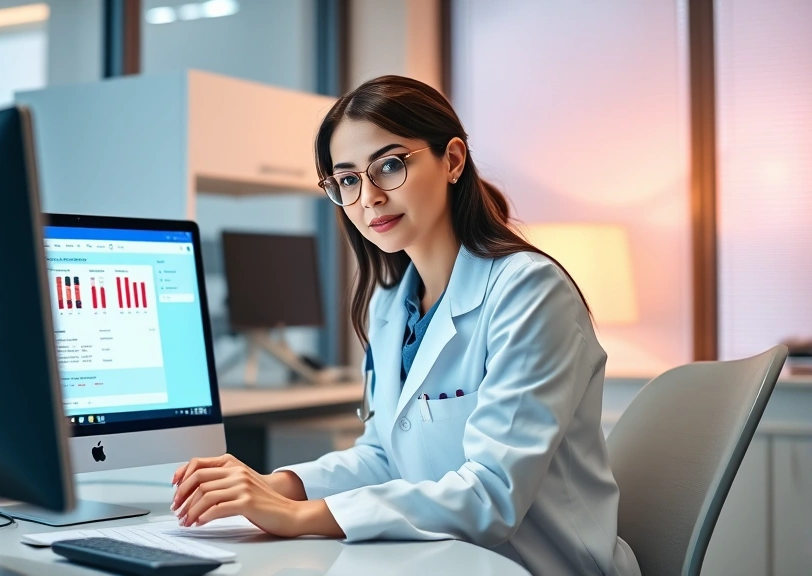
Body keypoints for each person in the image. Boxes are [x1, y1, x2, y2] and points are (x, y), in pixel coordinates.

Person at [170, 75, 641, 576]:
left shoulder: (528, 291)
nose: (368, 197)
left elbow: (491, 494)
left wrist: (296, 516)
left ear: (453, 160)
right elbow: (383, 457)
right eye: (347, 179)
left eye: (389, 166)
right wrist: (271, 484)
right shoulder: (392, 304)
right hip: (439, 561)